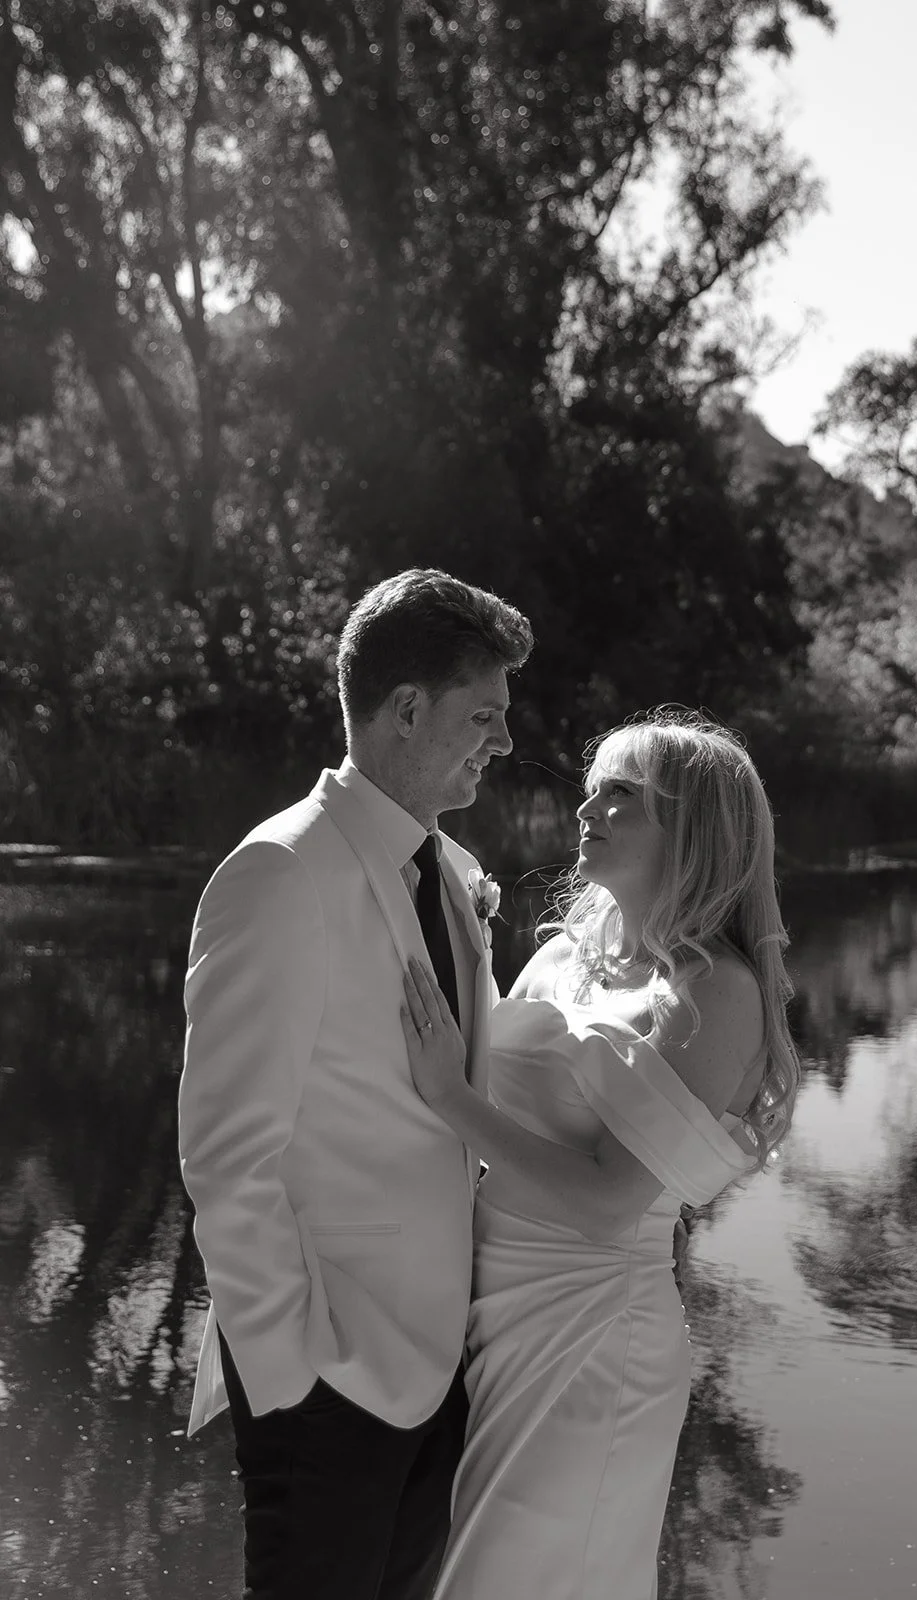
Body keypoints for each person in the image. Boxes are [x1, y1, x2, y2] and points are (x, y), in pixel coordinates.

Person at [177, 567, 533, 1600]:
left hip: (437, 1372)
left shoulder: (453, 871)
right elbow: (225, 1157)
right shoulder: (280, 873)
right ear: (406, 710)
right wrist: (292, 1373)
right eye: (484, 715)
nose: (502, 743)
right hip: (326, 1379)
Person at [400, 710, 800, 1600]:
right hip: (481, 1313)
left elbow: (606, 1201)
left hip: (591, 1334)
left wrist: (450, 1100)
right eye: (589, 791)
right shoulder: (559, 962)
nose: (586, 809)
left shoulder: (714, 991)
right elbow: (465, 1079)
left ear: (693, 829)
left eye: (621, 795)